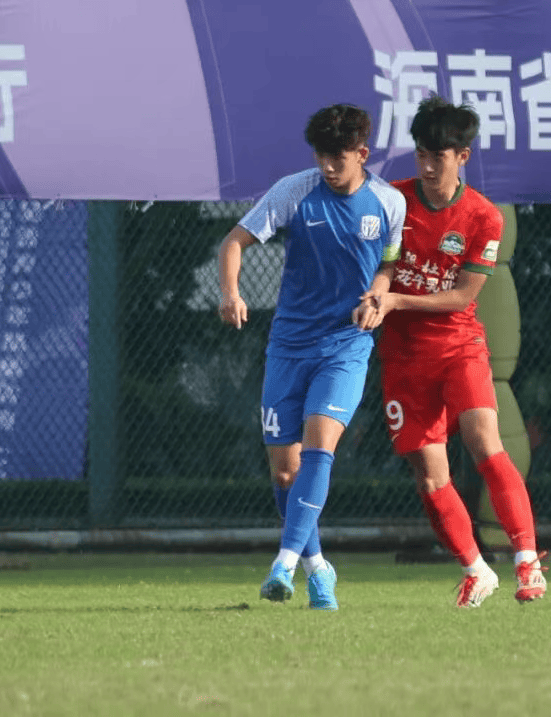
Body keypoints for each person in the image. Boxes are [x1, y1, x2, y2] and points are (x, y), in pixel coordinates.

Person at [356, 95, 546, 607]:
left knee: (485, 443)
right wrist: (378, 293)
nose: (428, 165)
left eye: (438, 156)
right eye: (421, 154)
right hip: (403, 357)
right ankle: (475, 570)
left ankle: (527, 561)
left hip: (459, 346)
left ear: (462, 156)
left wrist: (396, 300)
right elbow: (384, 265)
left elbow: (462, 296)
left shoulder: (484, 216)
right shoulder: (392, 201)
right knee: (429, 475)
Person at [217, 103, 405, 610]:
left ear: (362, 153)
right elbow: (233, 242)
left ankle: (282, 564)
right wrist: (231, 293)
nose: (327, 166)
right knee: (285, 472)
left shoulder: (388, 203)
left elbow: (388, 265)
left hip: (346, 345)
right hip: (288, 346)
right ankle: (318, 566)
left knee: (320, 448)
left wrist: (377, 295)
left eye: (337, 157)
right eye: (321, 156)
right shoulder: (294, 191)